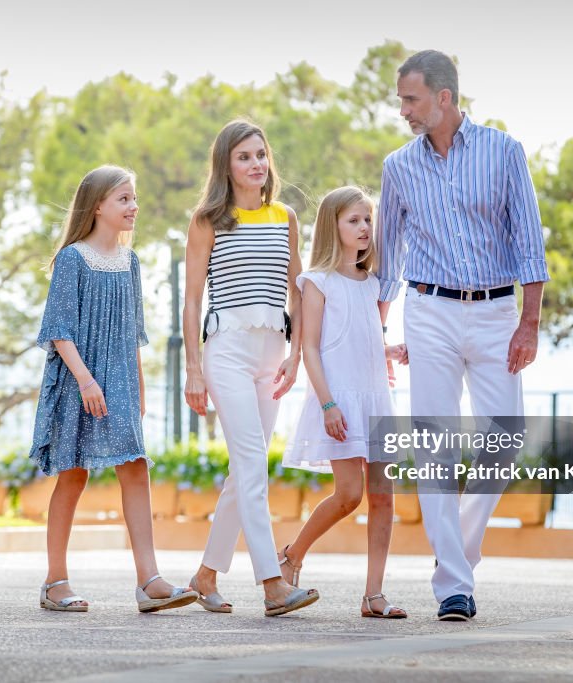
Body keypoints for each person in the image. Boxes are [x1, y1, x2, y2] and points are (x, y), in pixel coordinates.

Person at [376, 51, 549, 621]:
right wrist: (377, 328)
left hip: (498, 311)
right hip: (428, 312)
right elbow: (388, 257)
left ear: (444, 98)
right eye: (402, 99)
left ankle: (460, 555)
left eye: (411, 99)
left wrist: (530, 322)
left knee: (505, 440)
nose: (403, 110)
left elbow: (528, 241)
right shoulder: (398, 166)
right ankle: (454, 583)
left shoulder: (504, 152)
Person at [29, 165, 197, 614]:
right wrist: (86, 380)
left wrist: (138, 390)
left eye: (134, 198)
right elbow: (58, 331)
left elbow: (132, 334)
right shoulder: (72, 259)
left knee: (136, 466)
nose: (134, 207)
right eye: (124, 199)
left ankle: (150, 581)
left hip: (119, 382)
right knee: (74, 474)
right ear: (98, 204)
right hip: (78, 380)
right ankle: (54, 582)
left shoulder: (131, 262)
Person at [183, 119, 319, 617]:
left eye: (261, 154)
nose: (256, 164)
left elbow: (298, 293)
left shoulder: (285, 217)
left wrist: (297, 355)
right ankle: (272, 583)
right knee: (252, 467)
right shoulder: (207, 220)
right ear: (227, 165)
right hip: (227, 352)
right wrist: (193, 370)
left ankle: (205, 575)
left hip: (272, 355)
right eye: (244, 156)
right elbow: (192, 301)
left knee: (243, 475)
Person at [279, 186, 410, 619]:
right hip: (338, 401)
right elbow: (313, 348)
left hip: (376, 399)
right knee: (349, 494)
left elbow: (364, 336)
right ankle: (292, 555)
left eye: (368, 220)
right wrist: (327, 404)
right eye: (354, 220)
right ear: (332, 225)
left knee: (383, 497)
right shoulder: (317, 281)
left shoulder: (373, 284)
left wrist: (390, 352)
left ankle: (374, 595)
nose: (365, 228)